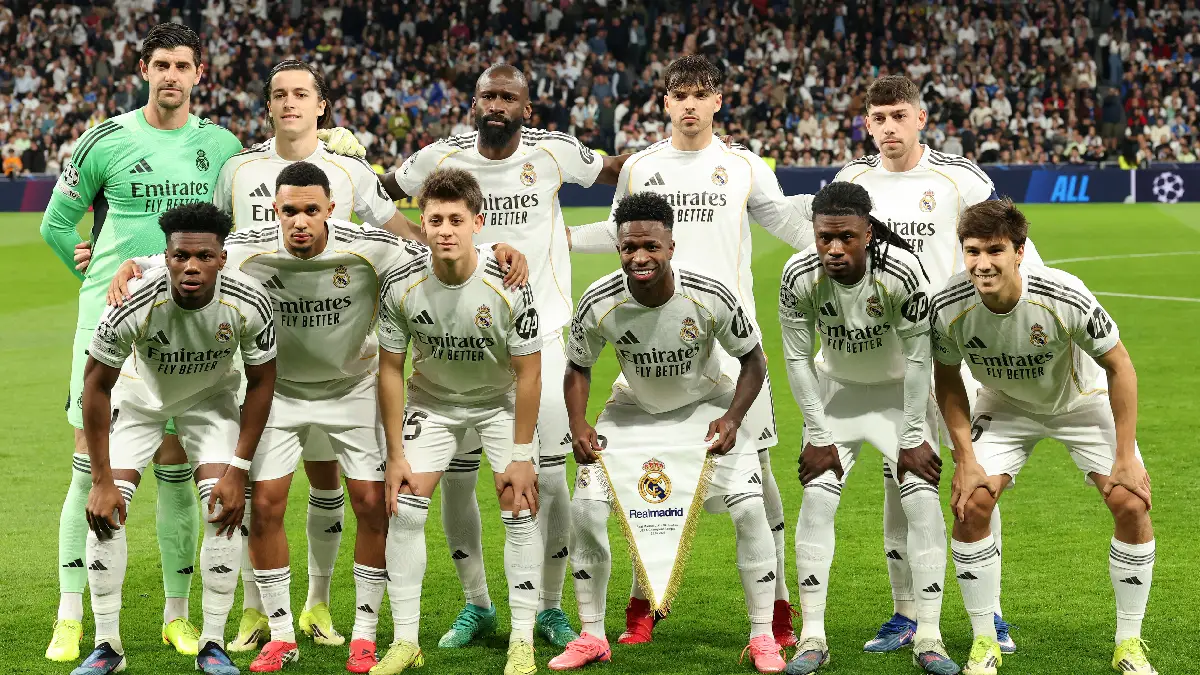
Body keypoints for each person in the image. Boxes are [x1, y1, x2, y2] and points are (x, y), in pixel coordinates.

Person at [108, 161, 527, 674]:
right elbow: (189, 256)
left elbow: (439, 246)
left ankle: (367, 635)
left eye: (311, 210)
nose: (299, 221)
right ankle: (281, 633)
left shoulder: (369, 246)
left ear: (330, 209)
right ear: (275, 211)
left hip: (353, 388)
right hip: (279, 392)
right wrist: (134, 265)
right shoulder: (252, 247)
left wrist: (497, 251)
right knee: (263, 503)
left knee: (375, 503)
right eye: (289, 211)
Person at [38, 23, 365, 663]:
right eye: (160, 64)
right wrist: (97, 270)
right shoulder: (105, 138)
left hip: (196, 321)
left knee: (181, 473)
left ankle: (178, 616)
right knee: (89, 468)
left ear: (198, 74)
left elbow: (263, 186)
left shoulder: (220, 146)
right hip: (115, 317)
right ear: (143, 69)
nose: (171, 76)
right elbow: (56, 226)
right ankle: (71, 614)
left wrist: (330, 146)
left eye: (182, 65)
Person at [789, 75, 1045, 654]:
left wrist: (1031, 311)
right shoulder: (852, 181)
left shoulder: (959, 178)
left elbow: (1006, 249)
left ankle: (991, 609)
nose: (886, 128)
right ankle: (906, 611)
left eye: (897, 116)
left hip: (952, 351)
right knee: (899, 483)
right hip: (880, 357)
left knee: (972, 477)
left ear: (921, 118)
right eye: (876, 117)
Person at [378, 63, 630, 649]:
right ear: (473, 103)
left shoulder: (554, 153)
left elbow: (616, 171)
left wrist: (671, 152)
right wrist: (414, 240)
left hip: (537, 342)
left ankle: (547, 605)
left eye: (508, 97)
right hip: (456, 337)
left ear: (527, 109)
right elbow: (380, 192)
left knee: (546, 479)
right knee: (459, 482)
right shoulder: (439, 156)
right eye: (486, 95)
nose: (496, 104)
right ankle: (477, 605)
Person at [566, 53, 811, 647]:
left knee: (758, 478)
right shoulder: (641, 166)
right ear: (666, 102)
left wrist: (848, 237)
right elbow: (619, 230)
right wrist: (557, 240)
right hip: (654, 334)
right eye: (681, 94)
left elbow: (785, 223)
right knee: (640, 472)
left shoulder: (744, 165)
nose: (691, 104)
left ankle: (778, 609)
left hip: (730, 343)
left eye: (702, 93)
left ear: (718, 100)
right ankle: (645, 598)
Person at [211, 58, 414, 655]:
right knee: (261, 496)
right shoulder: (240, 170)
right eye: (280, 94)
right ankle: (261, 618)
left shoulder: (350, 172)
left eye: (302, 93)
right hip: (266, 368)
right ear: (268, 105)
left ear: (322, 105)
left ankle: (324, 605)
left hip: (347, 368)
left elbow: (400, 231)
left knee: (344, 491)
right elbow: (208, 244)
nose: (291, 102)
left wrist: (471, 247)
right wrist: (132, 262)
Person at [548, 192, 786, 674]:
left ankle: (763, 636)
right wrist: (578, 422)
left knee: (749, 508)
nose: (640, 257)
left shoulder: (709, 293)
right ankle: (592, 634)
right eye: (629, 247)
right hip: (634, 408)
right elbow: (577, 367)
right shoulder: (600, 299)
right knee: (587, 508)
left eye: (651, 247)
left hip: (707, 404)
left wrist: (733, 418)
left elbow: (754, 362)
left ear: (671, 246)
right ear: (618, 247)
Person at [931, 200, 1156, 675]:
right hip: (1004, 405)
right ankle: (983, 640)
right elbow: (948, 379)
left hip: (1080, 400)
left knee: (1131, 502)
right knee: (971, 504)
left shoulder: (1063, 293)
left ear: (1020, 251)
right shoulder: (949, 306)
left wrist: (1124, 456)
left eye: (995, 250)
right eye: (972, 251)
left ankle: (1129, 642)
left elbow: (1120, 364)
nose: (983, 263)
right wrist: (965, 457)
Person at [73, 202, 277, 675]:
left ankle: (212, 644)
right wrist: (101, 480)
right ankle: (107, 646)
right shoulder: (134, 302)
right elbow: (95, 384)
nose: (191, 266)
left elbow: (264, 381)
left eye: (204, 257)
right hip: (142, 399)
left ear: (222, 258)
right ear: (164, 256)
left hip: (211, 403)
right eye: (181, 256)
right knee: (106, 511)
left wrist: (238, 470)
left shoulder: (249, 301)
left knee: (221, 507)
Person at [778, 182, 957, 675]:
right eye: (824, 238)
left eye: (847, 238)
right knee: (816, 498)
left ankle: (930, 636)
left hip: (900, 396)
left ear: (868, 232)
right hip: (837, 395)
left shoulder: (902, 273)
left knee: (921, 501)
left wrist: (913, 434)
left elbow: (921, 360)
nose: (834, 249)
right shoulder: (798, 274)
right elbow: (796, 359)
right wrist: (818, 433)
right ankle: (813, 637)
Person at [374, 168, 544, 675]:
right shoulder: (401, 286)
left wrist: (519, 456)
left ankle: (522, 640)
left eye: (455, 220)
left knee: (520, 507)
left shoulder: (508, 283)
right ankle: (406, 641)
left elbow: (530, 374)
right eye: (435, 220)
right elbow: (389, 368)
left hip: (499, 401)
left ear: (478, 223)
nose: (445, 230)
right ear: (421, 224)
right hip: (433, 402)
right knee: (404, 509)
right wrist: (395, 454)